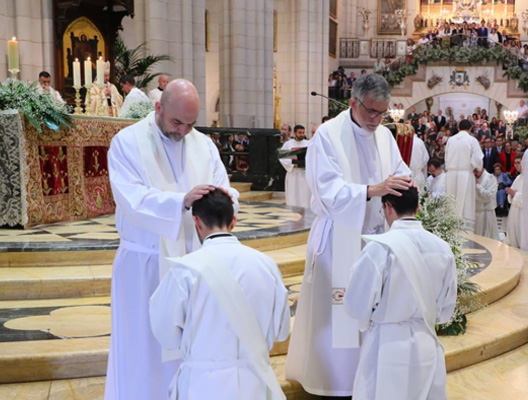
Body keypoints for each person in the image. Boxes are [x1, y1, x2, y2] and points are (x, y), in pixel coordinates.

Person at [106, 79, 240, 400]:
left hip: (194, 262)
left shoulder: (203, 144)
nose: (182, 131)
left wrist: (222, 200)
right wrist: (180, 201)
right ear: (158, 108)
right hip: (146, 266)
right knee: (144, 350)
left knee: (189, 347)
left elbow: (225, 187)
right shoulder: (127, 142)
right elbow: (131, 198)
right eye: (176, 122)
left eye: (190, 124)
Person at [285, 74, 412, 398]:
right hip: (339, 240)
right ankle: (334, 383)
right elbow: (327, 190)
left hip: (376, 238)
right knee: (338, 316)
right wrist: (372, 190)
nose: (377, 120)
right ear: (353, 102)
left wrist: (404, 184)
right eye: (371, 111)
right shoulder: (327, 135)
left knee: (369, 314)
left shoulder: (384, 136)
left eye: (382, 113)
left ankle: (365, 380)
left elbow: (400, 171)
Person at [149, 189, 290, 400]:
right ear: (234, 221)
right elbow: (281, 331)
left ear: (197, 222)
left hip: (202, 386)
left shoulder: (185, 270)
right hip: (256, 383)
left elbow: (166, 335)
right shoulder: (266, 265)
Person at [344, 187, 457, 400]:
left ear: (387, 207)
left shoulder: (379, 249)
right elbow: (445, 310)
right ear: (417, 208)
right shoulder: (442, 248)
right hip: (426, 344)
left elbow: (355, 304)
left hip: (386, 345)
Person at [444, 119, 483, 232]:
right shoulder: (472, 140)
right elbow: (477, 158)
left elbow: (446, 157)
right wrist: (475, 167)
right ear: (470, 129)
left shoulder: (451, 140)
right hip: (465, 173)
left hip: (450, 174)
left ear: (458, 128)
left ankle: (450, 227)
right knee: (465, 201)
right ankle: (465, 230)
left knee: (452, 200)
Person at [279, 124, 311, 209]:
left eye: (303, 132)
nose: (302, 134)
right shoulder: (288, 144)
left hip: (304, 173)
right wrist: (293, 164)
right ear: (294, 133)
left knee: (305, 195)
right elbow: (282, 158)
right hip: (293, 173)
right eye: (299, 132)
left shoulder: (308, 144)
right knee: (293, 195)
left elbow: (312, 157)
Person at [505, 156, 525, 248]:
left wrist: (515, 194)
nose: (516, 165)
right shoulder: (518, 178)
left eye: (518, 163)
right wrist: (511, 194)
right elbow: (512, 193)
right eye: (515, 163)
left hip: (523, 212)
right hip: (514, 210)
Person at [474, 167, 499, 240]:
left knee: (488, 239)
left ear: (481, 167)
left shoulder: (490, 178)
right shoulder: (472, 178)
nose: (475, 172)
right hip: (475, 213)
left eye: (476, 170)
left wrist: (477, 186)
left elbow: (488, 196)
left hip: (486, 213)